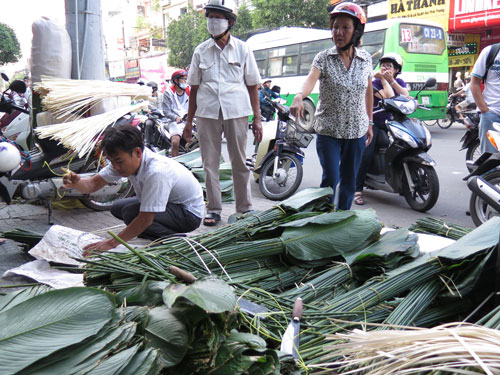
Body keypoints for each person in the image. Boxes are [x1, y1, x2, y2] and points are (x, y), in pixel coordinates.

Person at [62, 125, 204, 255]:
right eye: (112, 161)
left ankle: (176, 240)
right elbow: (93, 184)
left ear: (137, 152)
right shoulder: (124, 160)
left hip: (189, 214)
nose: (115, 167)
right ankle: (151, 233)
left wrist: (111, 243)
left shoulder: (157, 172)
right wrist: (77, 182)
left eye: (119, 161)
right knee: (118, 207)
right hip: (169, 205)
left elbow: (145, 219)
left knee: (131, 213)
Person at [183, 0, 263, 226]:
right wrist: (189, 123)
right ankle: (214, 209)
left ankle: (244, 208)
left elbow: (253, 85)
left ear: (229, 22)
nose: (213, 22)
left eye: (218, 18)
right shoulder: (200, 51)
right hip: (207, 113)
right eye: (210, 17)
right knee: (210, 164)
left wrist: (257, 118)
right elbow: (194, 90)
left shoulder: (243, 48)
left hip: (237, 111)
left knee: (239, 161)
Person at [290, 2, 373, 210]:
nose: (339, 32)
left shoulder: (365, 60)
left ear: (356, 31)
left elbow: (368, 91)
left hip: (356, 131)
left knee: (349, 182)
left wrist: (369, 122)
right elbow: (311, 79)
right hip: (329, 131)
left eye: (345, 27)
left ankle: (341, 220)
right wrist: (300, 95)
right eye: (335, 27)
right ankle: (322, 218)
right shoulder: (323, 58)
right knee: (331, 179)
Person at [354, 52, 409, 205]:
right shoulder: (375, 82)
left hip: (391, 123)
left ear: (397, 69)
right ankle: (357, 189)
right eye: (383, 65)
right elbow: (389, 97)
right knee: (367, 153)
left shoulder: (399, 81)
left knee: (400, 149)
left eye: (389, 66)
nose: (385, 68)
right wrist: (385, 80)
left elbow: (406, 95)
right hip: (372, 123)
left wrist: (392, 81)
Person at [471, 44, 500, 154]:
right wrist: (484, 110)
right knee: (490, 160)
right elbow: (474, 83)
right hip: (492, 115)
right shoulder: (491, 52)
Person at [162, 70, 189, 156]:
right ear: (176, 81)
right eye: (183, 79)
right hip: (175, 122)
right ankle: (175, 161)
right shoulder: (168, 93)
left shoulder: (189, 90)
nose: (185, 81)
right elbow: (166, 111)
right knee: (175, 142)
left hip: (189, 120)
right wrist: (176, 117)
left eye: (186, 79)